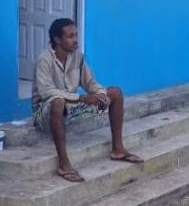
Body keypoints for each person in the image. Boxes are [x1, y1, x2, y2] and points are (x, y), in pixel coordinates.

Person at [32, 18, 143, 182]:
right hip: (45, 114)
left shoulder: (77, 56)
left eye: (76, 35)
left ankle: (118, 149)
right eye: (70, 36)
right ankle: (64, 164)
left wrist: (100, 95)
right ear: (57, 39)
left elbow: (89, 82)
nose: (76, 40)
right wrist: (82, 98)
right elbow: (47, 92)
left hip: (70, 108)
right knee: (57, 101)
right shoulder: (45, 59)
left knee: (115, 93)